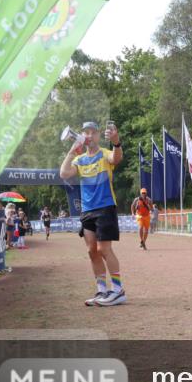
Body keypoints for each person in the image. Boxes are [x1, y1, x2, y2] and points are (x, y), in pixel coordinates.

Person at [59, 121, 126, 307]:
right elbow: (64, 173)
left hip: (105, 207)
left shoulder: (104, 153)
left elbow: (116, 158)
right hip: (87, 210)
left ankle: (118, 290)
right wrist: (73, 150)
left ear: (97, 135)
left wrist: (116, 142)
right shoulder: (79, 160)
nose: (89, 135)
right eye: (86, 132)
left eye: (93, 132)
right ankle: (102, 290)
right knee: (92, 251)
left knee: (104, 249)